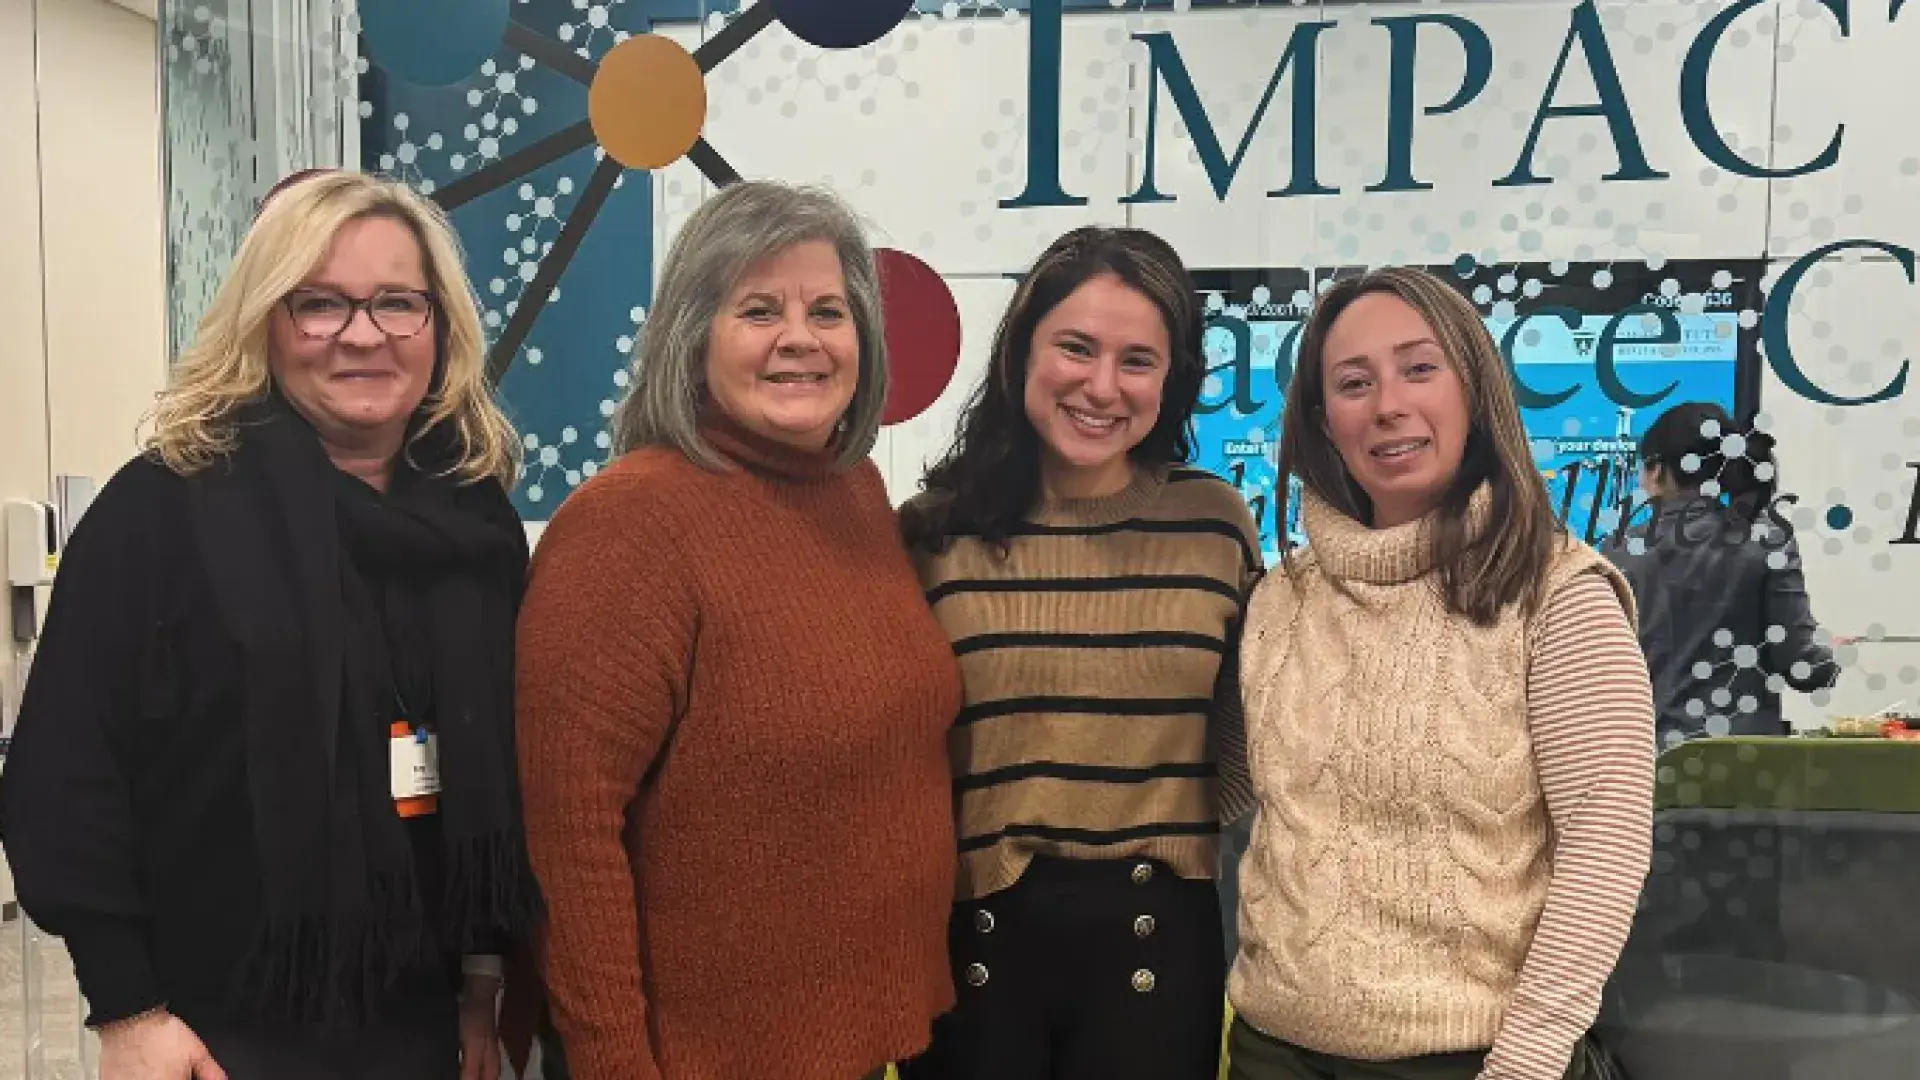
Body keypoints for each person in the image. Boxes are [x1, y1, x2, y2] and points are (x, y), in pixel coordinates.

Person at [0, 169, 542, 1080]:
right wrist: (129, 1011)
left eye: (397, 304)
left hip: (424, 1026)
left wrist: (480, 984)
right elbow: (65, 775)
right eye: (319, 303)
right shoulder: (165, 509)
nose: (362, 334)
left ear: (439, 327)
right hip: (213, 1033)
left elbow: (499, 772)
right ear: (265, 321)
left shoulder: (476, 522)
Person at [512, 180, 961, 1080]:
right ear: (693, 337)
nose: (800, 337)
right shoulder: (628, 525)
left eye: (826, 310)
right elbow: (567, 838)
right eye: (760, 309)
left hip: (869, 1039)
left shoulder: (855, 495)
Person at [1229, 267, 1654, 1080]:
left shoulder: (1560, 597)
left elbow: (1606, 852)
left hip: (1479, 1060)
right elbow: (1220, 791)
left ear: (1475, 390)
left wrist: (1526, 1062)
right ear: (1325, 421)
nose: (1388, 402)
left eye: (1419, 368)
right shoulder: (1280, 602)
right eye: (1355, 382)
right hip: (1273, 1052)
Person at [896, 226, 1261, 1080]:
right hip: (972, 940)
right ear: (1022, 349)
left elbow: (1244, 734)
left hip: (1157, 942)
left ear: (1172, 380)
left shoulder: (1213, 523)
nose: (1102, 386)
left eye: (1138, 360)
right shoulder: (932, 533)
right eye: (1076, 347)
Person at [1605, 401, 1844, 746]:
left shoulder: (1617, 551)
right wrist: (1827, 651)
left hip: (1646, 761)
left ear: (1656, 470)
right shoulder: (1767, 540)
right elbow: (1802, 667)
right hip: (1745, 764)